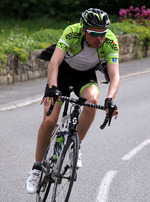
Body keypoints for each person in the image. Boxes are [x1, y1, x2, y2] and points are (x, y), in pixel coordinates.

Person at [26, 8, 120, 194]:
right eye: (94, 34)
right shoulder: (72, 31)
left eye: (102, 34)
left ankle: (76, 145)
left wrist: (110, 99)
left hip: (84, 77)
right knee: (50, 120)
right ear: (84, 29)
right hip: (61, 74)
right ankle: (36, 169)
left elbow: (115, 74)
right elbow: (54, 62)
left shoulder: (110, 40)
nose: (99, 39)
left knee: (92, 99)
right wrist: (53, 87)